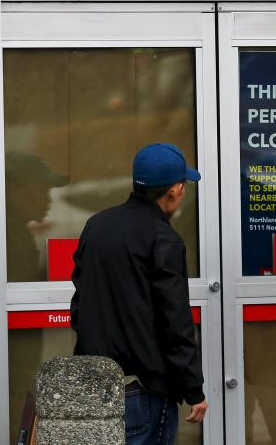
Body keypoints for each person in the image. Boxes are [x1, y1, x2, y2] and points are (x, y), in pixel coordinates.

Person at [71, 143, 208, 445]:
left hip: (94, 386)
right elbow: (175, 321)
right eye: (183, 185)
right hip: (144, 395)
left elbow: (79, 304)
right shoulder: (163, 239)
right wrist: (193, 389)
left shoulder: (97, 225)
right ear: (174, 190)